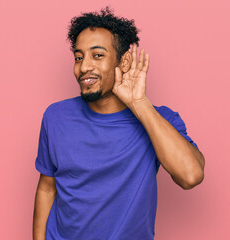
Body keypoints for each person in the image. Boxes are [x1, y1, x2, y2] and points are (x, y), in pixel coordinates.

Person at [33, 7, 205, 240]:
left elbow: (191, 175)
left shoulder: (159, 120)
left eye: (98, 55)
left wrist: (139, 103)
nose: (84, 67)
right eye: (78, 57)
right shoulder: (55, 117)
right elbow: (46, 187)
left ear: (123, 61)